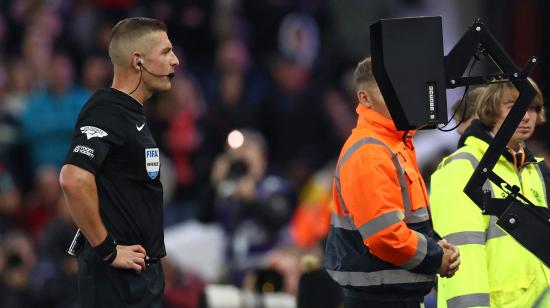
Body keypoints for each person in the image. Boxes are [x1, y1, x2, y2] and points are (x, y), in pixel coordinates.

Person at [59, 17, 179, 307]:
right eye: (165, 52)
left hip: (138, 277)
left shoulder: (131, 114)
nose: (175, 61)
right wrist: (108, 250)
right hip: (117, 281)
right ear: (138, 61)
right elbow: (73, 179)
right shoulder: (107, 110)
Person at [324, 57, 460, 308]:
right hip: (379, 299)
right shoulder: (370, 152)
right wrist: (434, 256)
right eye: (387, 89)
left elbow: (406, 222)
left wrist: (435, 245)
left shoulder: (395, 145)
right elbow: (384, 236)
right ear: (364, 98)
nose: (399, 94)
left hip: (394, 295)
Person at [430, 79, 550, 307]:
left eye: (532, 107)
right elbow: (463, 263)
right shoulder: (462, 168)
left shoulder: (534, 168)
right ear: (491, 111)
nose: (525, 116)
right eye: (513, 106)